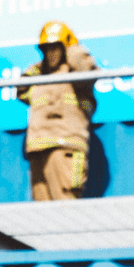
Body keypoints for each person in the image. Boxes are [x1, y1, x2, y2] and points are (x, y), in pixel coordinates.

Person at [18, 21, 96, 201]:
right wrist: (39, 68)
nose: (50, 53)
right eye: (46, 49)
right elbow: (21, 89)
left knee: (65, 207)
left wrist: (73, 47)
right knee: (42, 215)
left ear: (66, 48)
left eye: (56, 47)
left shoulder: (77, 74)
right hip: (38, 149)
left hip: (65, 148)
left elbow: (86, 67)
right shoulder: (40, 78)